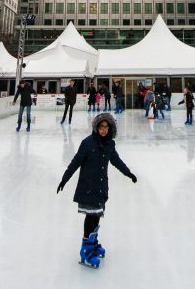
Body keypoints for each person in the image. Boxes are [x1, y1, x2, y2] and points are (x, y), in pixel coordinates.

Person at [56, 113, 137, 268]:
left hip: (100, 187)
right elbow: (75, 162)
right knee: (91, 217)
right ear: (96, 127)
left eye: (106, 127)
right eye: (101, 127)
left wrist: (129, 173)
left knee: (97, 216)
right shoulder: (87, 143)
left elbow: (117, 161)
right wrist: (64, 179)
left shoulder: (110, 145)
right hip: (88, 187)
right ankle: (85, 250)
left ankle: (92, 243)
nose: (103, 130)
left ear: (110, 128)